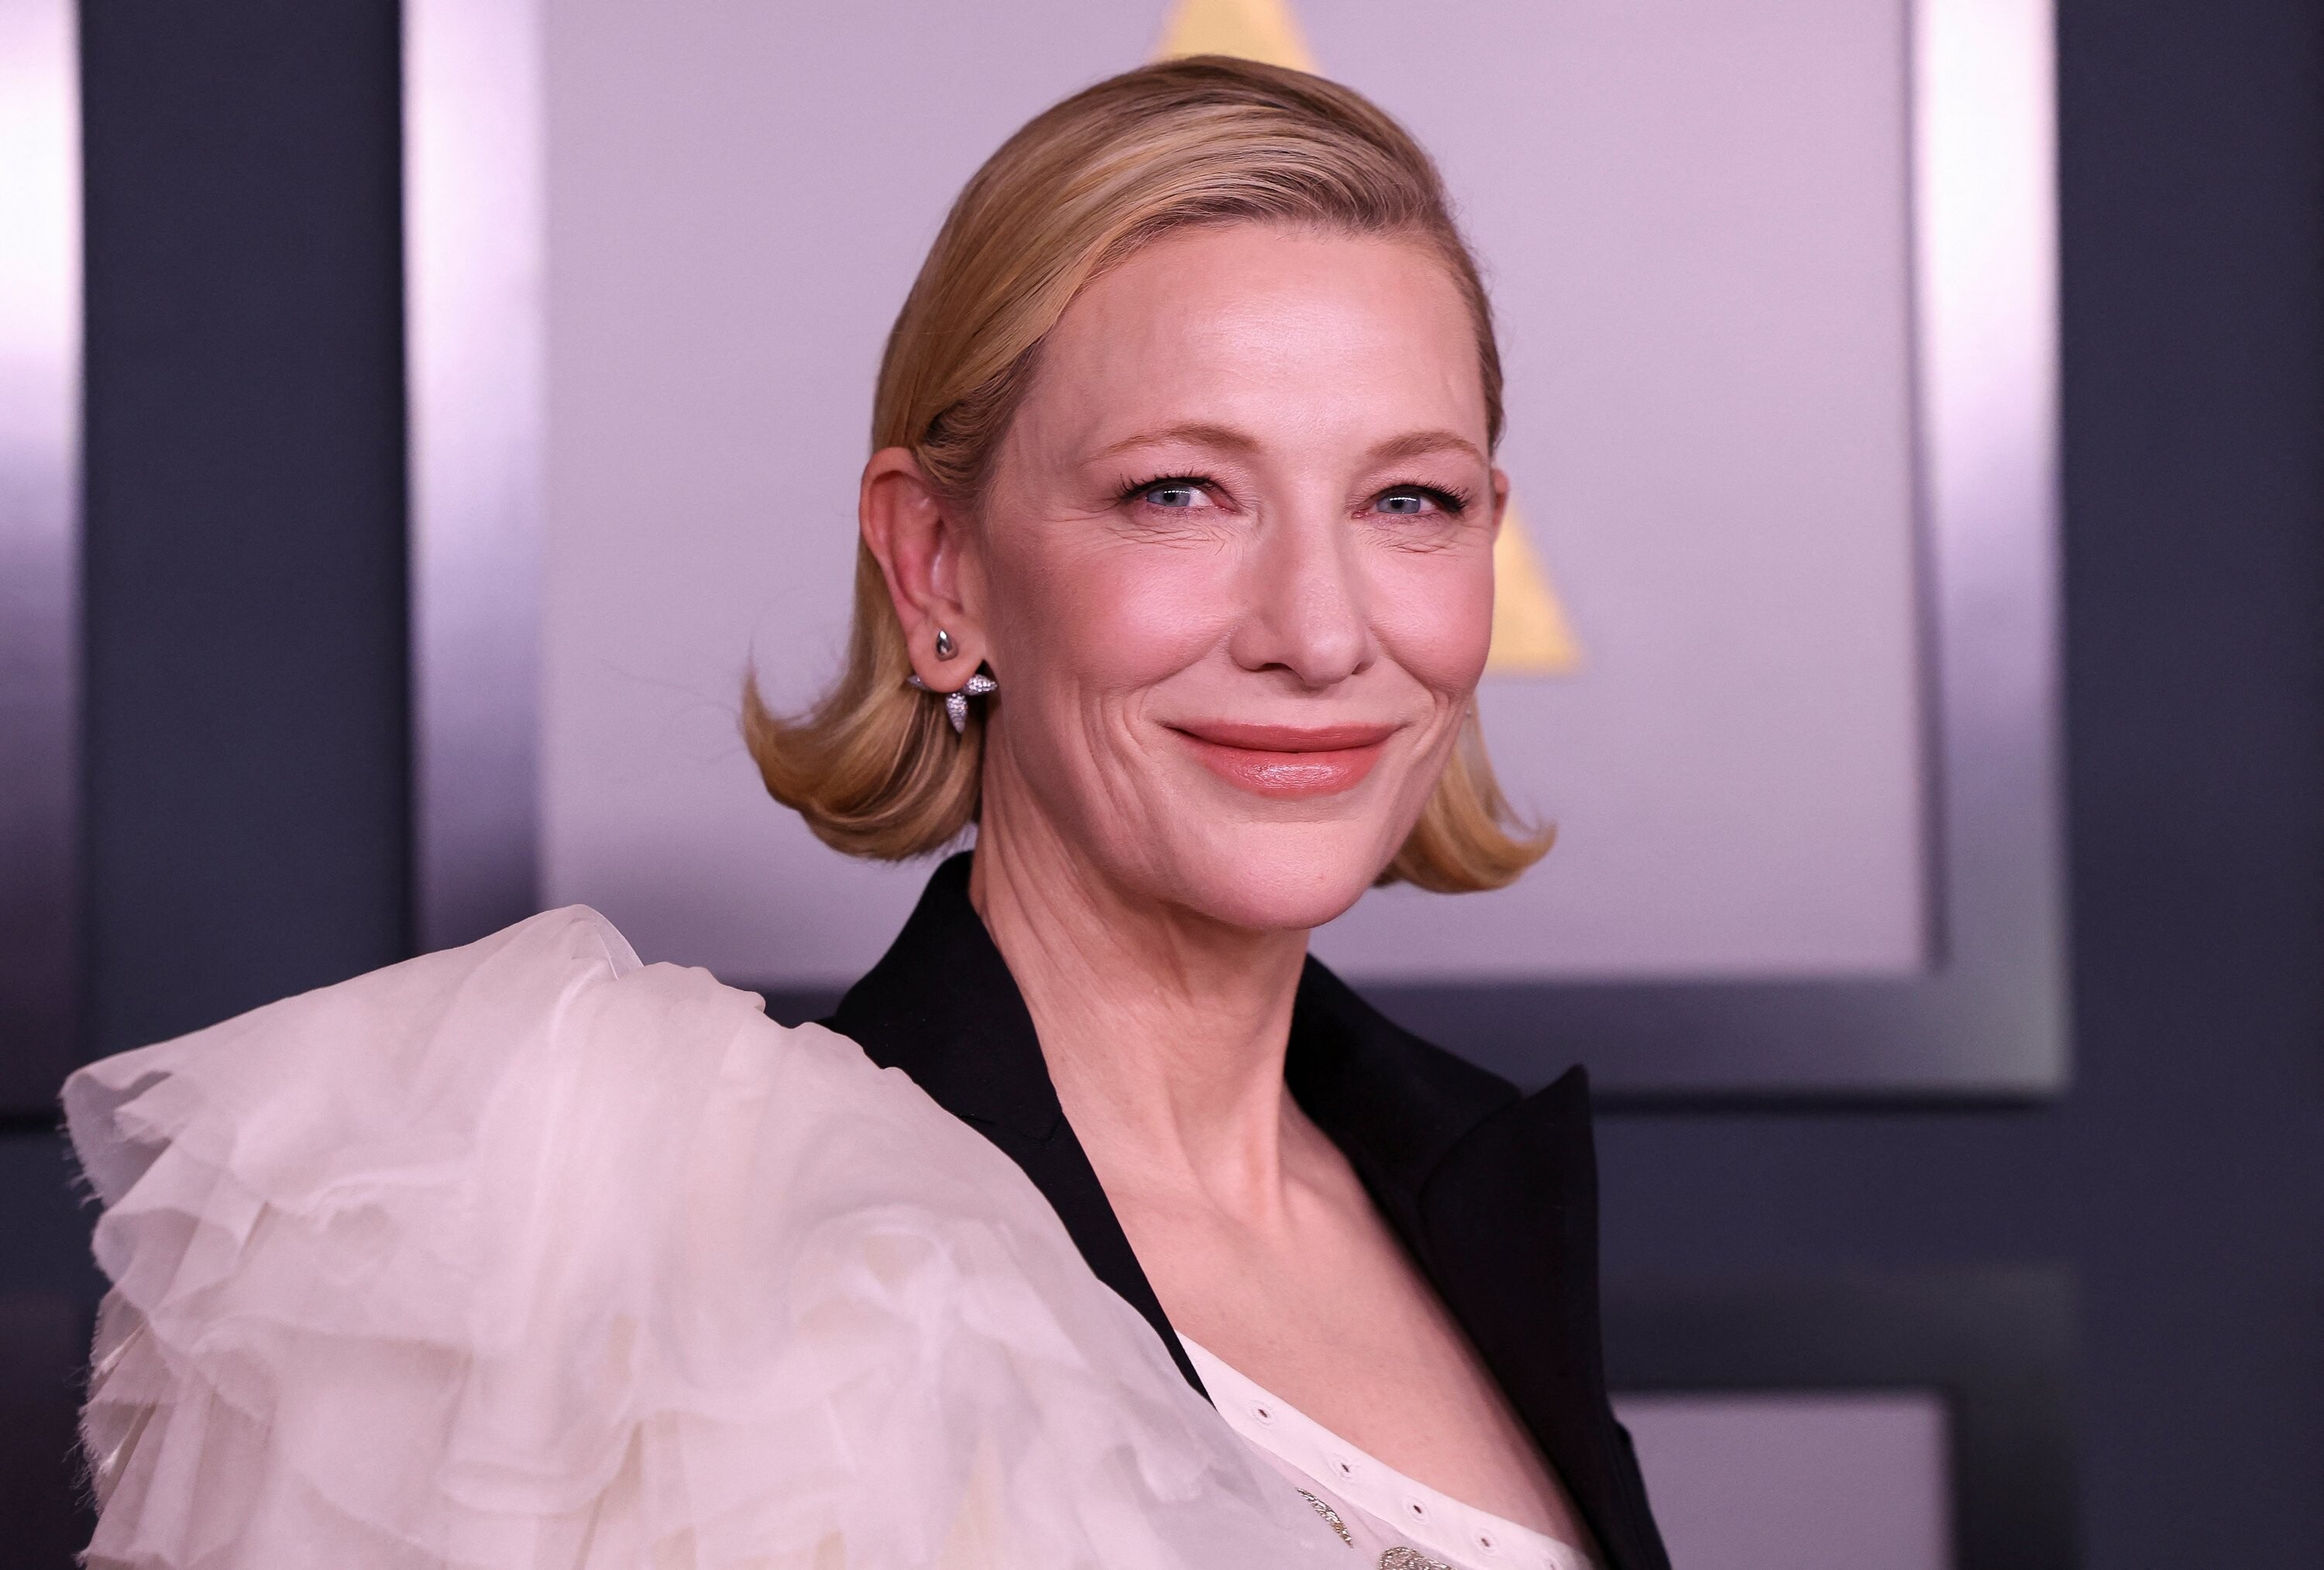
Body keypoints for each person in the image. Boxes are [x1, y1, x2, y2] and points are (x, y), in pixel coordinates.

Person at [65, 57, 1669, 1570]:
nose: (1318, 632)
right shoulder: (702, 1257)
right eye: (1178, 492)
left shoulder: (1471, 1187)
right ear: (937, 568)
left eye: (1409, 500)